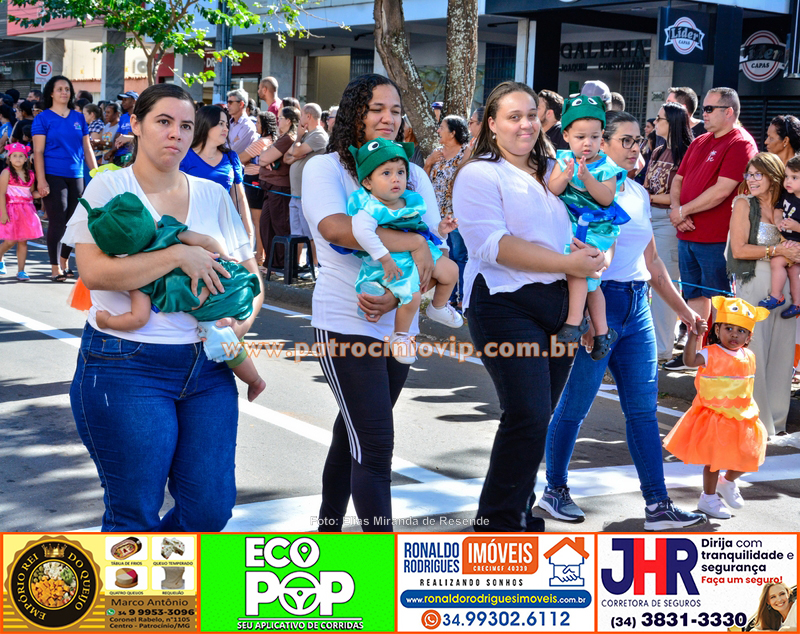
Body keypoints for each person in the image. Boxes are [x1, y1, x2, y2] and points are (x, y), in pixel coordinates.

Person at [62, 83, 263, 532]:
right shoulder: (109, 188)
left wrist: (235, 324)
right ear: (136, 125)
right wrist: (176, 255)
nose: (176, 133)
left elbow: (252, 280)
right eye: (164, 121)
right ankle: (143, 601)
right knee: (134, 513)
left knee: (210, 511)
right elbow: (94, 273)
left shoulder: (212, 194)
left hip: (208, 370)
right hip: (126, 366)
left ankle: (170, 590)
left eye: (186, 126)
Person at [540, 111, 707, 530]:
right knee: (574, 406)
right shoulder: (581, 188)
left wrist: (686, 313)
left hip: (638, 307)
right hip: (601, 301)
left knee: (643, 411)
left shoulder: (637, 192)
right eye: (627, 141)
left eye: (639, 142)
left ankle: (658, 505)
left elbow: (652, 263)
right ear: (602, 145)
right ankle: (554, 491)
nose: (637, 149)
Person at [452, 81, 607, 532]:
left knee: (538, 417)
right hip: (504, 305)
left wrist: (586, 259)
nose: (525, 124)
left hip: (559, 310)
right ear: (492, 125)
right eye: (513, 116)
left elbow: (571, 238)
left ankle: (517, 510)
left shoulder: (550, 176)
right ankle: (498, 522)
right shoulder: (480, 173)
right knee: (527, 412)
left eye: (531, 116)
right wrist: (566, 261)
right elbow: (492, 245)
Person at [302, 74, 442, 531]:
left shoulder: (412, 172)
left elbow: (430, 246)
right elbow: (337, 229)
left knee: (354, 435)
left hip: (400, 322)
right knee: (377, 443)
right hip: (346, 318)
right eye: (376, 108)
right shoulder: (326, 169)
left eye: (395, 111)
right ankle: (378, 552)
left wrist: (408, 276)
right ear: (355, 114)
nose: (387, 118)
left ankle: (328, 528)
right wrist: (413, 246)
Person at [80, 192, 265, 402]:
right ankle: (252, 375)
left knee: (223, 340)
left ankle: (255, 380)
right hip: (234, 278)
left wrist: (108, 321)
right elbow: (206, 240)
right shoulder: (170, 231)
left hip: (215, 305)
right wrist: (223, 258)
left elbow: (139, 318)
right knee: (231, 335)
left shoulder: (139, 275)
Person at [664, 87, 758, 371]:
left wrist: (682, 211)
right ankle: (697, 351)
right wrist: (678, 212)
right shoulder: (701, 140)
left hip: (716, 238)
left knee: (720, 298)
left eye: (708, 109)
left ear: (728, 112)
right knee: (694, 295)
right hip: (688, 232)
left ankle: (719, 354)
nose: (702, 114)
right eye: (703, 108)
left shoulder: (740, 143)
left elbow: (722, 190)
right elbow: (678, 179)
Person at [347, 137, 462, 363]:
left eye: (400, 172)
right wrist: (385, 258)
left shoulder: (408, 200)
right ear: (368, 182)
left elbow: (423, 229)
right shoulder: (369, 206)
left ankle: (438, 307)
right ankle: (401, 336)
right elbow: (361, 233)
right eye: (386, 173)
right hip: (391, 260)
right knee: (412, 296)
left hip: (420, 252)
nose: (395, 179)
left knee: (451, 271)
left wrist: (440, 230)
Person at [663, 296, 768, 518]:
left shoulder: (749, 355)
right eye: (728, 328)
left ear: (749, 336)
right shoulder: (711, 353)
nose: (734, 334)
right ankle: (708, 498)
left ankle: (727, 481)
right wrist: (694, 335)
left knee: (750, 455)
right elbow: (690, 361)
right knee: (714, 461)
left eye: (741, 331)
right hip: (714, 416)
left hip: (742, 416)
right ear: (717, 329)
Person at [547, 94, 628, 360]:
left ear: (602, 136)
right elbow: (553, 189)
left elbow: (606, 198)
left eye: (594, 137)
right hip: (571, 224)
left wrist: (587, 178)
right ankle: (603, 332)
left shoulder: (607, 166)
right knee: (592, 283)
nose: (587, 143)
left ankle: (574, 321)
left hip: (597, 226)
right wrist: (567, 175)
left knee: (578, 269)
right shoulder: (562, 160)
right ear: (567, 135)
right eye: (580, 136)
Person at [727, 152, 800, 436]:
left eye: (759, 174)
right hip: (756, 282)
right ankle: (755, 422)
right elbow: (738, 250)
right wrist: (777, 250)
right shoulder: (743, 204)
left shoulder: (789, 206)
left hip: (786, 286)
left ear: (774, 177)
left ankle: (777, 423)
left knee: (782, 354)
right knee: (754, 353)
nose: (752, 179)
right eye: (749, 174)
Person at [32, 75, 98, 281]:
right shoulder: (42, 118)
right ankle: (54, 267)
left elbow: (87, 148)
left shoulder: (78, 118)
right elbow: (39, 152)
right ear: (51, 93)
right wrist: (41, 181)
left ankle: (64, 262)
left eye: (67, 89)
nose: (64, 92)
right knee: (58, 221)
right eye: (60, 89)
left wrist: (97, 175)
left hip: (76, 175)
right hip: (52, 174)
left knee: (74, 222)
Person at [644, 102, 694, 361]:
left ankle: (662, 348)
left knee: (665, 285)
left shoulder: (687, 151)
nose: (656, 122)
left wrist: (652, 196)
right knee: (648, 285)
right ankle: (653, 343)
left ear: (672, 122)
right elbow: (646, 186)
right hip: (649, 215)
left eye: (660, 118)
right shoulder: (658, 150)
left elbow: (685, 194)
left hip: (668, 220)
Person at [179, 105, 253, 245]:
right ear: (206, 124)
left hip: (225, 228)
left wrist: (248, 233)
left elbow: (240, 198)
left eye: (226, 124)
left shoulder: (231, 157)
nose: (226, 129)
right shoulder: (184, 156)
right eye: (220, 124)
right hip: (192, 229)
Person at [425, 114, 470, 308]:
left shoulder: (466, 153)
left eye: (442, 128)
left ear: (453, 132)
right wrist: (428, 163)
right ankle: (444, 300)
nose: (438, 131)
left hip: (456, 215)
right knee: (443, 255)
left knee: (459, 255)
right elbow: (422, 182)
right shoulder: (437, 153)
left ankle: (460, 299)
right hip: (436, 216)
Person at [285, 103, 328, 271]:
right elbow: (287, 157)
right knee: (296, 233)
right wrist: (297, 141)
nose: (300, 119)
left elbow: (294, 154)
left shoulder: (319, 135)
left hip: (308, 195)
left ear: (308, 116)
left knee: (310, 234)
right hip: (296, 194)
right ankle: (296, 267)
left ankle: (314, 265)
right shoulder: (305, 135)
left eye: (301, 115)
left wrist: (296, 149)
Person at [259, 106, 298, 271]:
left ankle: (285, 264)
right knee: (265, 224)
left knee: (281, 226)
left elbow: (262, 159)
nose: (277, 120)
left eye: (280, 118)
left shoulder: (288, 138)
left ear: (288, 121)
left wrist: (265, 156)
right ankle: (272, 262)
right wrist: (265, 154)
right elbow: (263, 155)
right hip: (270, 188)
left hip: (280, 189)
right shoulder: (281, 137)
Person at [761, 156, 800, 316]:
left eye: (794, 177)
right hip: (788, 241)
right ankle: (797, 303)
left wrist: (796, 227)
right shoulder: (787, 194)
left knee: (777, 261)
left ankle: (777, 296)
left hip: (796, 244)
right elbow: (778, 210)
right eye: (786, 176)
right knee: (793, 271)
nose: (788, 181)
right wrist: (778, 221)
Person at [240, 111, 278, 267]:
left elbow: (241, 158)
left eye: (258, 123)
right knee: (263, 222)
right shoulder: (274, 140)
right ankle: (263, 256)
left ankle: (259, 258)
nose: (256, 125)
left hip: (253, 182)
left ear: (264, 125)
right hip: (262, 182)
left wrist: (248, 163)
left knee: (257, 222)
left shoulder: (261, 141)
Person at [0, 143, 43, 280]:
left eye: (21, 156)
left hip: (27, 211)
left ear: (25, 159)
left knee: (23, 241)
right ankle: (0, 257)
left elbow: (30, 194)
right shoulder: (6, 173)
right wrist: (3, 213)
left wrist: (42, 193)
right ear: (9, 158)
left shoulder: (30, 175)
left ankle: (21, 270)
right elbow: (1, 194)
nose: (17, 158)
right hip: (11, 210)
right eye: (14, 156)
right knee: (10, 241)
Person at [226, 89, 259, 155]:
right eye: (228, 102)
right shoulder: (229, 123)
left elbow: (233, 151)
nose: (228, 105)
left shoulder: (248, 126)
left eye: (230, 102)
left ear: (241, 104)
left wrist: (226, 143)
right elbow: (219, 144)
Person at [112, 91, 138, 166]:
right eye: (122, 100)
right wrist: (112, 151)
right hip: (119, 155)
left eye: (125, 100)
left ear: (134, 101)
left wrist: (127, 137)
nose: (122, 102)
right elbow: (118, 135)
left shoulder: (140, 117)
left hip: (132, 154)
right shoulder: (123, 117)